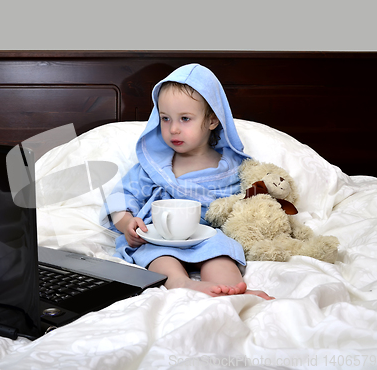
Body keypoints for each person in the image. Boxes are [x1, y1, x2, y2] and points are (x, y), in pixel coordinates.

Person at [101, 64, 273, 300]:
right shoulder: (153, 167)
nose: (173, 129)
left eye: (185, 119)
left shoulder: (231, 167)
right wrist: (128, 224)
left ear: (212, 120)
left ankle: (232, 289)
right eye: (165, 118)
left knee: (221, 252)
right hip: (160, 237)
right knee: (158, 257)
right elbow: (121, 197)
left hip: (206, 236)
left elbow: (248, 202)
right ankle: (181, 283)